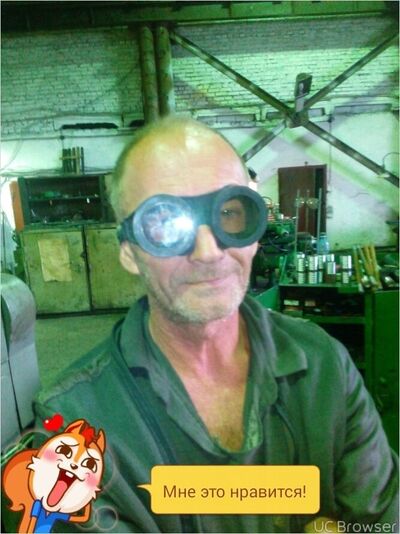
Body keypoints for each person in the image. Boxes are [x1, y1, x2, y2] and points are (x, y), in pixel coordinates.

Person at [33, 116, 398, 533]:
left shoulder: (322, 365)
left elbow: (383, 521)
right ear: (130, 252)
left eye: (228, 213)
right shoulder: (74, 424)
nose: (208, 252)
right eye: (165, 223)